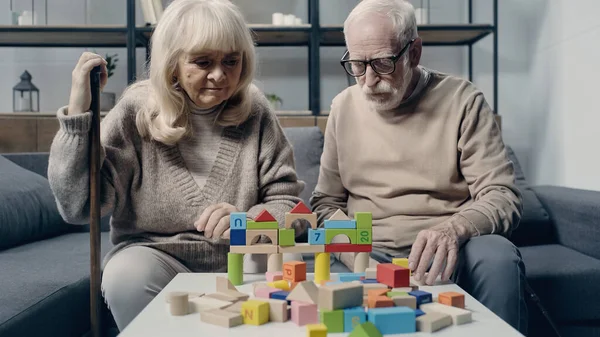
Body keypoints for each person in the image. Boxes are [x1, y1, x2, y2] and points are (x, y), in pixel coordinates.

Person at [47, 0, 304, 331]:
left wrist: (249, 220)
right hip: (158, 258)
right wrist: (79, 114)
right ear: (173, 64)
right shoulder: (135, 111)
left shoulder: (255, 110)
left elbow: (290, 205)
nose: (219, 75)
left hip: (242, 256)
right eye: (202, 62)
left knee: (291, 265)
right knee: (125, 275)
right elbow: (78, 207)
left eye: (231, 61)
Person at [309, 0, 527, 333]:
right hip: (368, 249)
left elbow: (502, 195)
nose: (368, 81)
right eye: (356, 64)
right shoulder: (342, 107)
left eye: (383, 63)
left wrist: (453, 230)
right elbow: (325, 204)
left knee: (498, 257)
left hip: (452, 248)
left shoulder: (462, 100)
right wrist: (359, 258)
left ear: (414, 52)